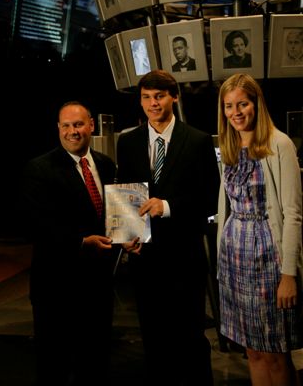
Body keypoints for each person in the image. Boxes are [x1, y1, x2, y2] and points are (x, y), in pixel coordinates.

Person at [116, 70, 220, 385]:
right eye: (146, 97)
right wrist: (126, 236)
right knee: (154, 340)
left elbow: (211, 200)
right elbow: (125, 192)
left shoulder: (198, 140)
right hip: (145, 259)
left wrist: (168, 206)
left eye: (159, 96)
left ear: (173, 97)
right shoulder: (128, 141)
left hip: (184, 258)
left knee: (190, 339)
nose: (153, 103)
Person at [19, 101, 116, 386]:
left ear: (91, 126)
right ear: (58, 129)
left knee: (95, 363)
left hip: (97, 288)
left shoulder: (107, 166)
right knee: (54, 367)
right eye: (66, 126)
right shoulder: (39, 169)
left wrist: (129, 238)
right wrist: (81, 242)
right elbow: (32, 226)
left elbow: (113, 218)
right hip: (56, 290)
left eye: (78, 125)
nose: (73, 132)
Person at [217, 73, 303, 386]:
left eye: (242, 103)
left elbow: (293, 213)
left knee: (275, 354)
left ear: (257, 104)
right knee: (252, 352)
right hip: (234, 260)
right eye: (229, 106)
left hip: (269, 259)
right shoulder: (228, 145)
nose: (235, 112)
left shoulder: (280, 144)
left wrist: (289, 274)